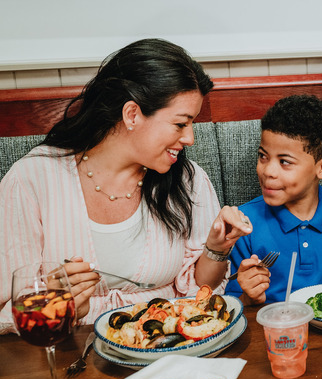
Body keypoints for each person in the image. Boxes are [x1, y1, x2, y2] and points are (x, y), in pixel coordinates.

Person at [0, 38, 253, 334]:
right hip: (72, 350)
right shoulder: (32, 179)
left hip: (167, 347)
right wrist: (56, 304)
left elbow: (200, 294)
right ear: (132, 114)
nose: (190, 139)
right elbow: (10, 303)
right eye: (180, 123)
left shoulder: (188, 180)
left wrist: (217, 248)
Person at [226, 95, 322, 304]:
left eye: (284, 162)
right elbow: (233, 305)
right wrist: (249, 296)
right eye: (263, 156)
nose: (268, 171)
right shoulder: (243, 223)